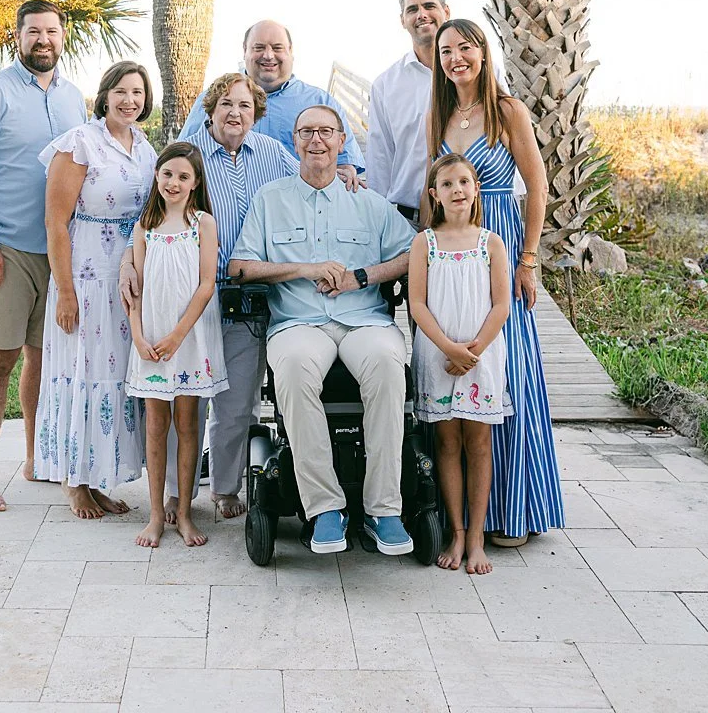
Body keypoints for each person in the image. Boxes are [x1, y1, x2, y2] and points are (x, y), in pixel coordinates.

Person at [229, 105, 417, 555]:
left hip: (364, 319)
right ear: (294, 141)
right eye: (307, 131)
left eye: (327, 132)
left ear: (341, 141)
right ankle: (325, 508)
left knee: (388, 364)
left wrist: (362, 277)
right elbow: (240, 266)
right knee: (293, 367)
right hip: (298, 323)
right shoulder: (270, 200)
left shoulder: (368, 202)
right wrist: (304, 268)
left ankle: (384, 509)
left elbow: (415, 252)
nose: (317, 140)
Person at [129, 72, 298, 523]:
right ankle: (173, 493)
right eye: (226, 104)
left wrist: (347, 174)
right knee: (180, 402)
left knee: (236, 403)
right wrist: (129, 260)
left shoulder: (272, 153)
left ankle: (225, 488)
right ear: (210, 110)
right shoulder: (188, 157)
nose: (235, 113)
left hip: (247, 301)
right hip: (187, 302)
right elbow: (149, 214)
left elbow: (305, 185)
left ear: (256, 113)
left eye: (244, 106)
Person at [429, 18, 565, 545]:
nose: (456, 58)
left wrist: (528, 259)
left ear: (483, 53)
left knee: (509, 371)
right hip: (452, 252)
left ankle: (515, 510)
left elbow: (536, 186)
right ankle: (460, 517)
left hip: (500, 242)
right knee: (459, 368)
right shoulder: (438, 113)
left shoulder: (507, 111)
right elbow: (428, 188)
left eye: (465, 48)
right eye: (446, 51)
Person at [0, 0, 90, 513]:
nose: (43, 40)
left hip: (58, 252)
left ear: (63, 37)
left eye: (52, 31)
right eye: (34, 31)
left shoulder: (74, 98)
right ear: (18, 38)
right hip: (5, 249)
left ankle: (37, 459)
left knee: (43, 357)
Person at [36, 60, 156, 519]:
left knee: (114, 379)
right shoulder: (80, 143)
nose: (129, 100)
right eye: (121, 91)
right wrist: (66, 292)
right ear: (105, 96)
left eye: (138, 93)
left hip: (124, 281)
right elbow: (55, 222)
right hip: (84, 277)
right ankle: (74, 482)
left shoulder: (144, 148)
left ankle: (100, 477)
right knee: (82, 373)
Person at [407, 151, 512, 574]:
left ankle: (478, 537)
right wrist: (449, 349)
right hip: (438, 354)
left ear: (476, 189)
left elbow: (501, 305)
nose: (457, 190)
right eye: (447, 184)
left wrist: (472, 351)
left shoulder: (491, 243)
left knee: (480, 444)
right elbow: (417, 304)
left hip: (481, 357)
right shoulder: (425, 243)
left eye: (464, 182)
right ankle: (456, 531)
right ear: (434, 194)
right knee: (447, 444)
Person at [126, 142, 225, 549]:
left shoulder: (203, 224)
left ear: (196, 182)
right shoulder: (144, 227)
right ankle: (155, 515)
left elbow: (206, 285)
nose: (174, 182)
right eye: (167, 174)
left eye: (184, 176)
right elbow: (135, 290)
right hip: (152, 339)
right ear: (156, 175)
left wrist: (178, 335)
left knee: (187, 424)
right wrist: (138, 335)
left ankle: (183, 512)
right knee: (155, 425)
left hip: (188, 338)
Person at [177, 19, 366, 179]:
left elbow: (344, 165)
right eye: (259, 47)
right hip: (225, 205)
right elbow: (180, 157)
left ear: (290, 51)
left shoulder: (321, 103)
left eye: (277, 48)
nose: (268, 55)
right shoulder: (213, 98)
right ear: (245, 51)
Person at [366, 0, 453, 223]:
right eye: (412, 9)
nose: (421, 15)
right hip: (409, 222)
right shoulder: (385, 85)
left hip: (474, 218)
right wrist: (378, 223)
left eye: (429, 6)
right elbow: (379, 158)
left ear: (446, 11)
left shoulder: (482, 72)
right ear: (403, 20)